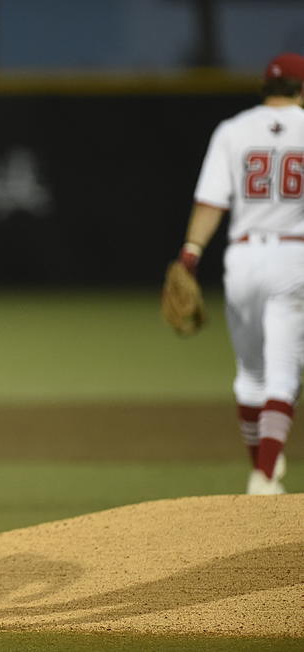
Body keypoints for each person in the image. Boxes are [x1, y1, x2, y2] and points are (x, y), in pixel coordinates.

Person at [171, 52, 304, 495]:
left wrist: (190, 255)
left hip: (242, 260)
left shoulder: (233, 130)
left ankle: (261, 472)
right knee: (283, 372)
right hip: (294, 260)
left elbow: (212, 201)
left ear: (265, 89)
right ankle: (265, 474)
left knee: (250, 375)